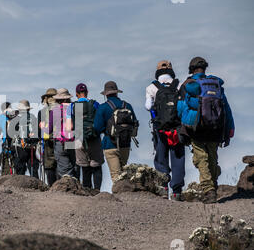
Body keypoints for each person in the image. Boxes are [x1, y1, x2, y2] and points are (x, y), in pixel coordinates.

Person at [177, 57, 235, 203]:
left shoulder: (190, 85)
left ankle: (209, 190)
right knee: (212, 158)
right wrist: (230, 128)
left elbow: (182, 106)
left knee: (201, 158)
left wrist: (182, 124)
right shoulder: (215, 85)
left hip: (197, 127)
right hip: (216, 127)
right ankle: (213, 185)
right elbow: (226, 108)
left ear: (191, 69)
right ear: (204, 68)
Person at [145, 60, 185, 201]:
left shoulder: (152, 87)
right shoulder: (179, 85)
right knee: (178, 158)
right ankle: (177, 191)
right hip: (177, 129)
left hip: (160, 129)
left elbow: (148, 106)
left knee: (161, 157)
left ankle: (163, 188)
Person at [94, 81, 138, 183]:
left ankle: (119, 197)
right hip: (125, 144)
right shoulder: (127, 106)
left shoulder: (103, 107)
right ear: (117, 92)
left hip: (109, 144)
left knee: (116, 176)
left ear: (106, 94)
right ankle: (126, 194)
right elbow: (134, 124)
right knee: (124, 173)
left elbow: (97, 128)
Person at [69, 83, 104, 191]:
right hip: (94, 138)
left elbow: (69, 126)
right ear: (87, 92)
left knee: (84, 167)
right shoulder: (95, 104)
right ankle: (97, 191)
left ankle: (87, 191)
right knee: (96, 166)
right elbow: (99, 122)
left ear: (76, 94)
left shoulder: (72, 106)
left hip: (79, 139)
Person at [51, 88, 78, 179]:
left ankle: (68, 189)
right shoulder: (75, 108)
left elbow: (49, 129)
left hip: (61, 142)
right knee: (74, 166)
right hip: (74, 141)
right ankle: (77, 188)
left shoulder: (55, 110)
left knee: (64, 170)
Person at [9, 99, 40, 178]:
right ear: (28, 109)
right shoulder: (33, 118)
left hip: (19, 148)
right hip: (31, 147)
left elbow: (10, 134)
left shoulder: (15, 119)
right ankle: (36, 187)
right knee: (33, 171)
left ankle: (20, 188)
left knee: (20, 172)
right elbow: (38, 133)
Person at [38, 88, 58, 186]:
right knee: (60, 163)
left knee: (49, 165)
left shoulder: (42, 112)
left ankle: (51, 187)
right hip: (61, 140)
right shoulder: (62, 109)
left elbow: (39, 131)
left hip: (47, 142)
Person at [0, 102, 17, 175]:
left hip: (6, 145)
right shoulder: (16, 117)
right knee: (17, 167)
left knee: (6, 167)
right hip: (16, 145)